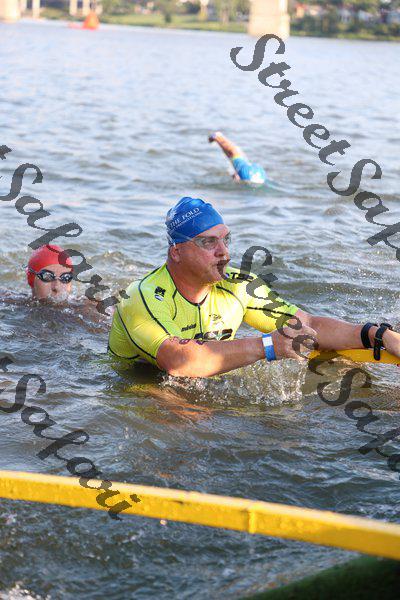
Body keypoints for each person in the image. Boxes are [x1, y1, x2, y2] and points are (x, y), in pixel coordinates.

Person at [108, 196, 400, 378]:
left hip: (193, 372)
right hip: (138, 381)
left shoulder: (238, 285)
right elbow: (177, 361)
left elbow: (306, 324)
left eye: (225, 239)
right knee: (177, 410)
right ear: (177, 252)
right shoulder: (141, 297)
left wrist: (377, 334)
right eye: (208, 242)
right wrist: (268, 346)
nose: (224, 252)